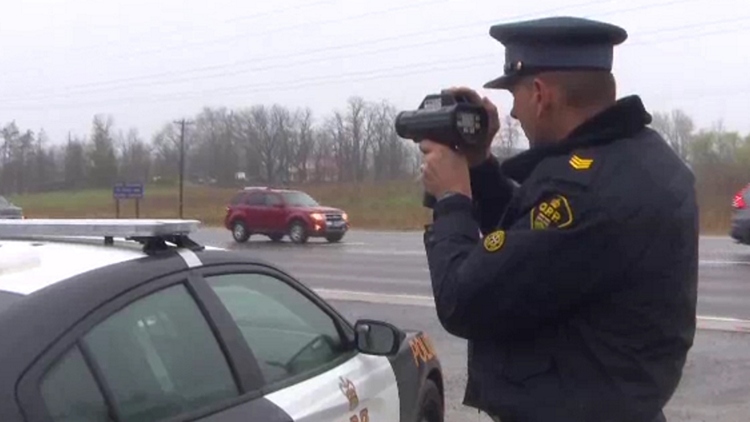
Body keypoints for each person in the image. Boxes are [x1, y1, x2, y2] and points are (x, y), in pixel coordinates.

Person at [419, 16, 699, 422]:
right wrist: (479, 166)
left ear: (539, 93)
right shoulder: (640, 158)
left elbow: (464, 300)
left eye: (514, 95)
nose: (513, 113)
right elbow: (538, 249)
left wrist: (451, 198)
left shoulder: (583, 190)